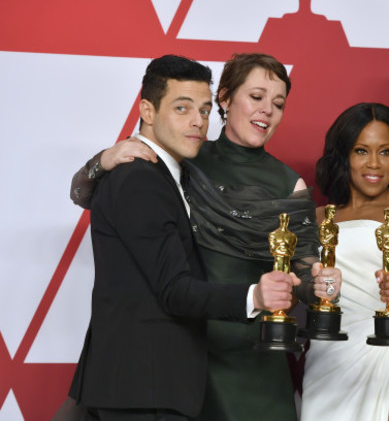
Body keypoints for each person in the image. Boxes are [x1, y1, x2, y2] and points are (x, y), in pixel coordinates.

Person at [68, 53, 341, 421]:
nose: (267, 111)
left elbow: (303, 275)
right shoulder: (184, 158)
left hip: (251, 352)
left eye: (278, 103)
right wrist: (103, 160)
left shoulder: (288, 184)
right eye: (256, 97)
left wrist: (320, 285)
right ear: (225, 99)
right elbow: (93, 198)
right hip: (180, 352)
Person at [301, 103, 389, 421]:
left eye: (385, 151)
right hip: (328, 357)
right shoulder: (317, 219)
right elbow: (305, 281)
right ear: (344, 157)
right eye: (361, 150)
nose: (374, 164)